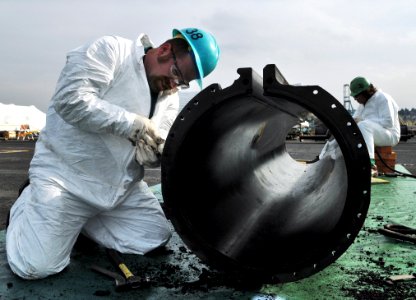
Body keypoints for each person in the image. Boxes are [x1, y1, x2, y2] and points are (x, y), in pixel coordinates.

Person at [6, 27, 220, 279]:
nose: (175, 85)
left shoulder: (169, 97)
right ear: (164, 50)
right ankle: (28, 204)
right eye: (176, 74)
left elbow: (157, 137)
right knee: (35, 266)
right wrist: (132, 124)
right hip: (67, 179)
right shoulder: (111, 51)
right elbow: (70, 100)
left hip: (118, 189)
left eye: (183, 82)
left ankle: (78, 224)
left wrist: (153, 154)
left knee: (154, 237)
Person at [349, 76, 401, 176]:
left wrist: (362, 121)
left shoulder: (383, 98)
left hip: (390, 135)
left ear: (366, 92)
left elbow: (388, 122)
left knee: (364, 125)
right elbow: (354, 120)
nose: (355, 99)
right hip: (376, 132)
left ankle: (371, 165)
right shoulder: (363, 104)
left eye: (357, 96)